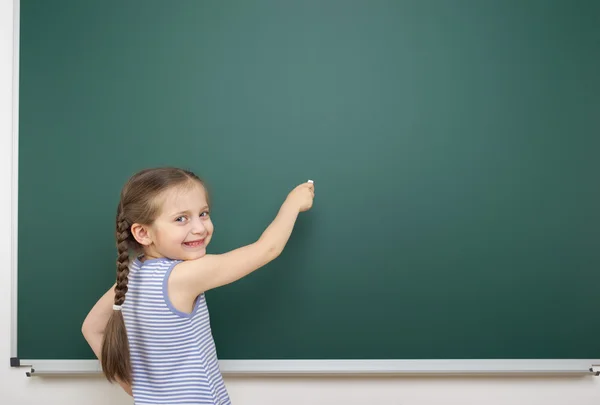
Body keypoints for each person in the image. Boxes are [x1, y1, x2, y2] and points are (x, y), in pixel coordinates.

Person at [81, 167, 315, 404]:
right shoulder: (183, 275)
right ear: (143, 232)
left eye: (203, 213)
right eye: (181, 218)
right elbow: (267, 249)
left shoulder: (131, 275)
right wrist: (293, 203)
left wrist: (127, 383)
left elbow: (91, 327)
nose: (199, 228)